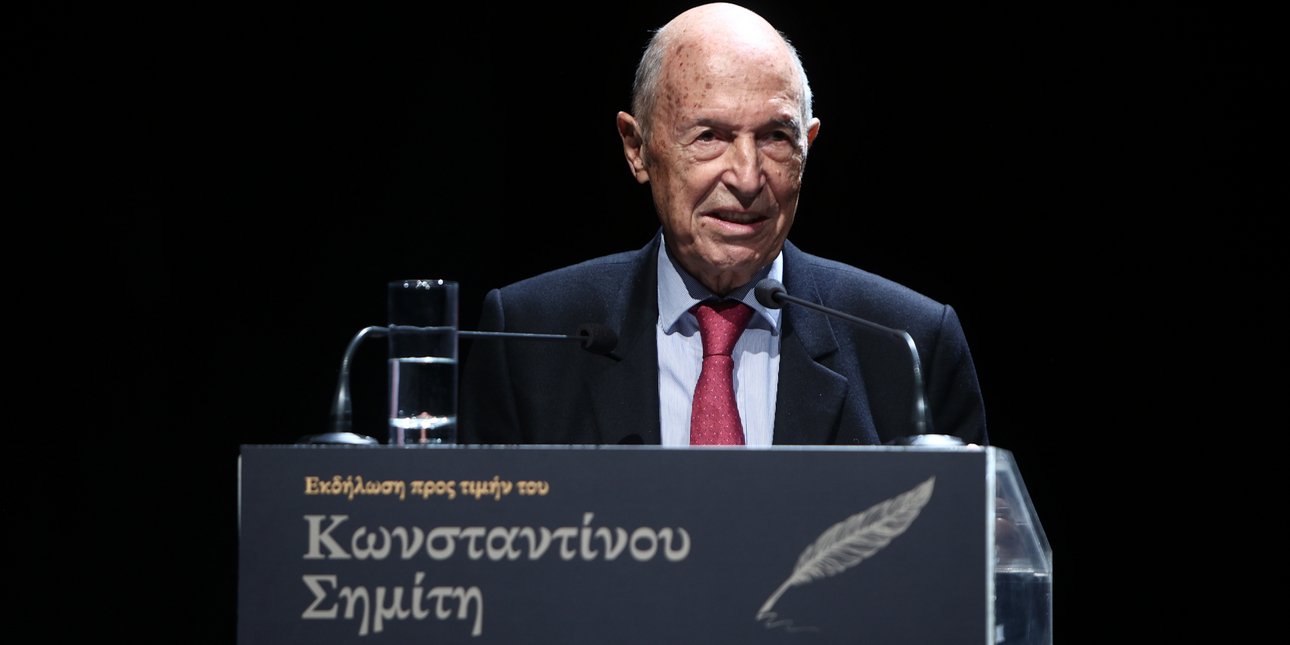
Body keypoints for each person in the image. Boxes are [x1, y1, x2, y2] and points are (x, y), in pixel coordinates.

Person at [458, 2, 987, 447]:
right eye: (709, 136)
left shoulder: (908, 344)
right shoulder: (528, 337)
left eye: (776, 137)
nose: (747, 177)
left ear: (808, 148)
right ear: (637, 148)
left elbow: (974, 538)